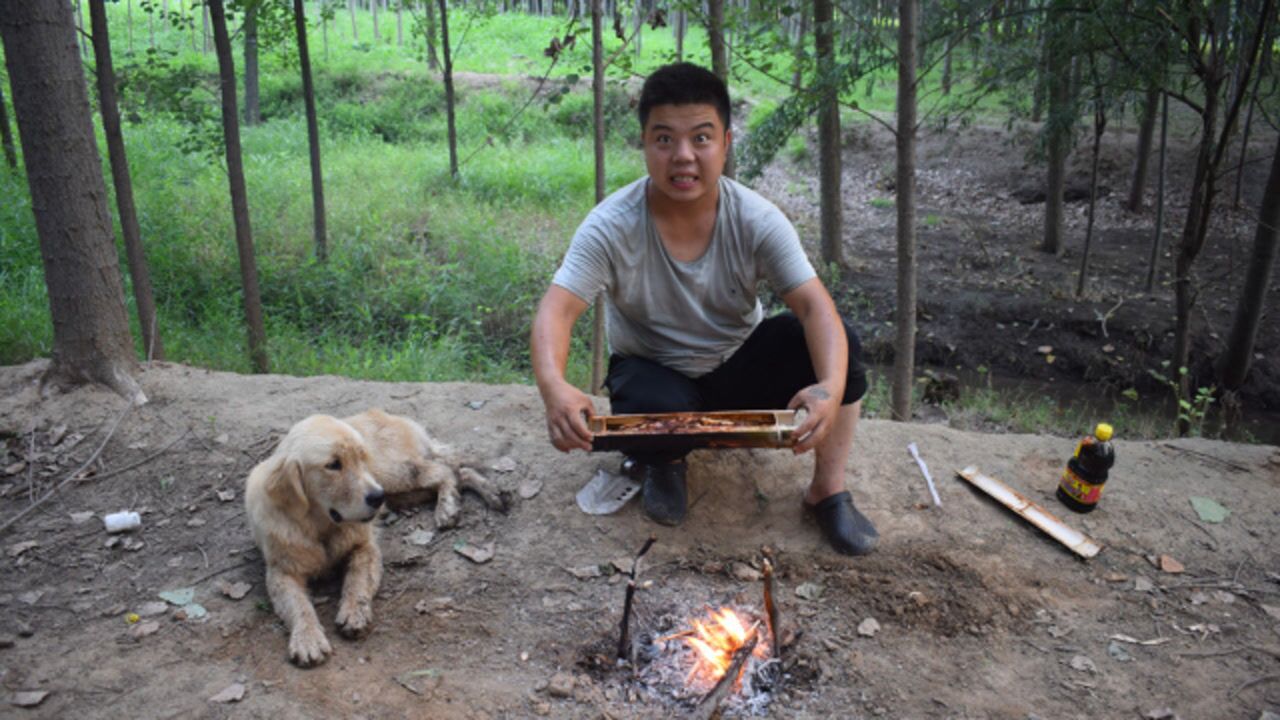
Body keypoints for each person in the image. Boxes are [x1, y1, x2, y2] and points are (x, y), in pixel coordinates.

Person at [529, 62, 877, 556]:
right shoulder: (611, 224)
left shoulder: (756, 219)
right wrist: (554, 387)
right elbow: (556, 311)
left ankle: (828, 490)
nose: (684, 157)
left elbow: (815, 307)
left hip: (739, 367)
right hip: (655, 375)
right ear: (645, 143)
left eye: (701, 138)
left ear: (726, 142)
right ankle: (664, 462)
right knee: (646, 403)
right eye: (665, 139)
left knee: (843, 343)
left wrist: (829, 388)